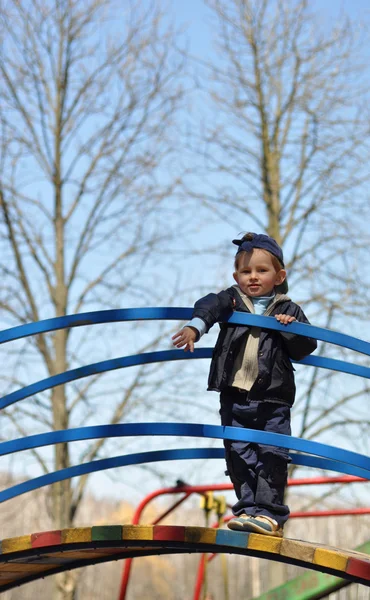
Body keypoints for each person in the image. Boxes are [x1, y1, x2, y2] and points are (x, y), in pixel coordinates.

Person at [172, 232, 317, 537]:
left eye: (262, 271)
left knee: (271, 454)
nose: (253, 277)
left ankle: (269, 514)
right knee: (238, 453)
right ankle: (248, 508)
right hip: (234, 397)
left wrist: (290, 330)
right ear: (236, 275)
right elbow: (210, 305)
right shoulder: (233, 300)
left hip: (272, 400)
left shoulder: (288, 310)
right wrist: (195, 327)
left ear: (279, 276)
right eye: (246, 271)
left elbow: (306, 347)